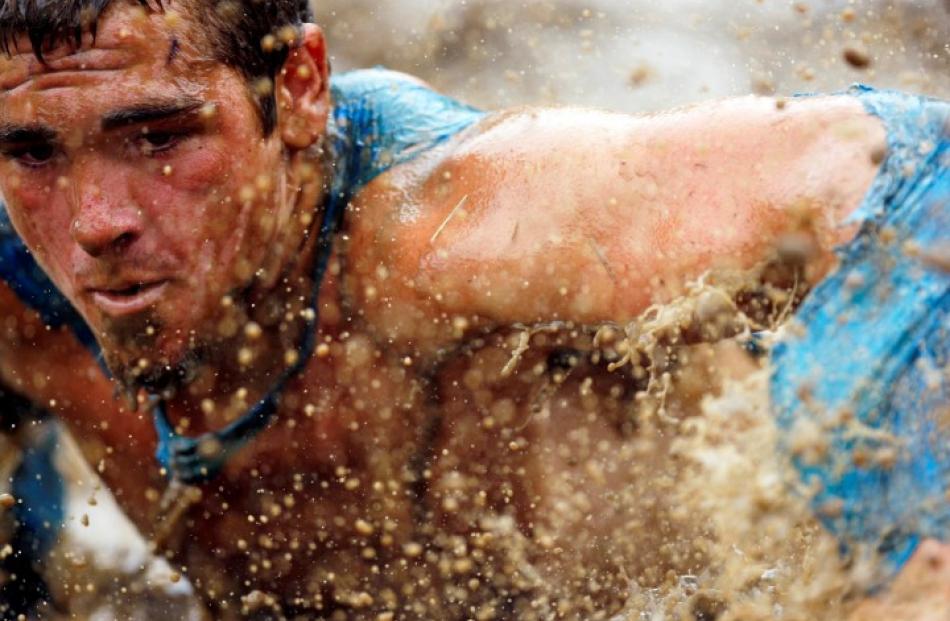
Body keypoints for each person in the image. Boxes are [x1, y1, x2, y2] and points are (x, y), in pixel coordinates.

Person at [0, 0, 945, 619]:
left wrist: (913, 559)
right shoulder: (22, 294)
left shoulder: (450, 231)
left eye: (160, 137)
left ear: (297, 90)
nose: (96, 224)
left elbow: (901, 165)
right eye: (34, 153)